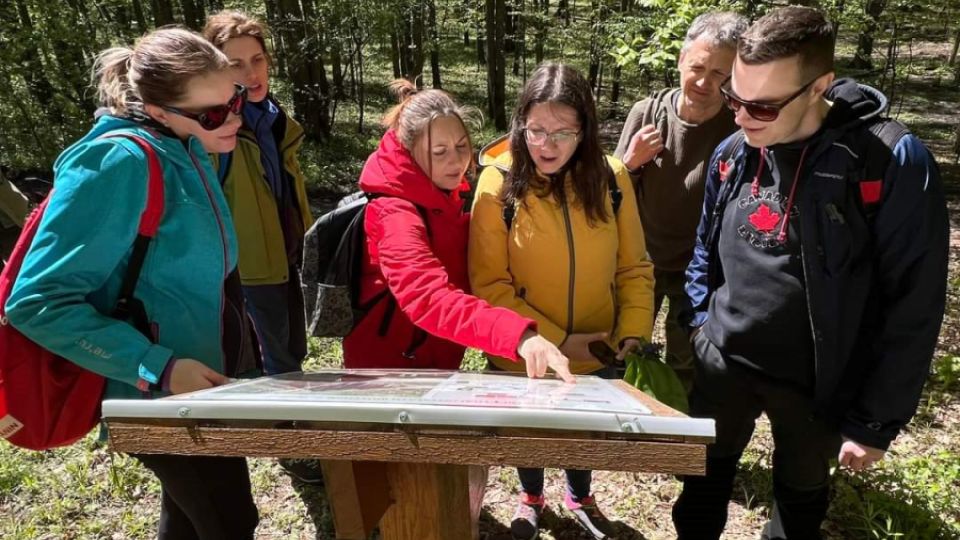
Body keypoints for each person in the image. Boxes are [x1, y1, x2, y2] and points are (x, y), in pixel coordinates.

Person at [673, 7, 949, 540]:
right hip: (723, 363)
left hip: (820, 384)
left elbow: (914, 304)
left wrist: (875, 421)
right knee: (702, 491)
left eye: (761, 106)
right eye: (734, 97)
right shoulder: (733, 151)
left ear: (819, 85)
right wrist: (701, 325)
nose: (740, 116)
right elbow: (704, 247)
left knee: (797, 508)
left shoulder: (887, 162)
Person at [4, 28, 261, 540]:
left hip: (196, 388)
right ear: (158, 109)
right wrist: (158, 367)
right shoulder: (118, 163)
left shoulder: (186, 145)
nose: (233, 117)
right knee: (230, 521)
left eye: (233, 100)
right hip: (150, 395)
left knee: (190, 522)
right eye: (212, 113)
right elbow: (36, 301)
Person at [469, 63, 655, 540]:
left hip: (597, 351)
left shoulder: (612, 179)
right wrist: (556, 341)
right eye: (535, 130)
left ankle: (580, 495)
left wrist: (631, 330)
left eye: (562, 132)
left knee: (581, 435)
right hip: (523, 351)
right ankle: (530, 495)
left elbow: (633, 265)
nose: (545, 145)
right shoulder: (497, 183)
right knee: (529, 434)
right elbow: (489, 285)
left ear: (585, 131)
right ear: (520, 123)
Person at [342, 79, 573, 383]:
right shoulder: (393, 214)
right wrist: (518, 337)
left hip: (431, 371)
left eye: (462, 147)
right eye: (439, 152)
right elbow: (427, 298)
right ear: (409, 152)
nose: (456, 161)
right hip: (386, 381)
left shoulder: (443, 200)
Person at [203, 11, 322, 485]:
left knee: (293, 346)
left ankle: (294, 430)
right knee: (278, 359)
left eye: (257, 60)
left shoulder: (272, 118)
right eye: (235, 64)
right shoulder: (219, 131)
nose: (250, 74)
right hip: (250, 265)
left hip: (287, 251)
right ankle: (293, 446)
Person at [614, 11, 746, 391]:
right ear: (680, 62)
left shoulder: (738, 127)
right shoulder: (649, 113)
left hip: (700, 268)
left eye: (721, 74)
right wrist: (630, 163)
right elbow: (608, 194)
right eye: (698, 67)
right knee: (621, 346)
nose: (705, 82)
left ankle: (679, 433)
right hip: (639, 260)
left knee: (688, 359)